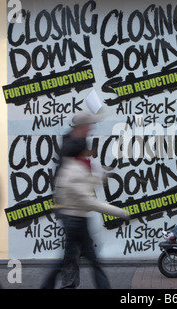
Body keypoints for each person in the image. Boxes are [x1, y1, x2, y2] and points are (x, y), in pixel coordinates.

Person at [40, 112, 129, 289]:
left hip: (77, 215)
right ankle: (61, 284)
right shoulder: (71, 166)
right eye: (89, 126)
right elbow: (87, 199)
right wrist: (119, 212)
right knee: (73, 258)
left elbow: (85, 180)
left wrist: (101, 176)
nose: (90, 152)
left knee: (77, 257)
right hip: (73, 216)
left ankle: (63, 284)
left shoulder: (76, 164)